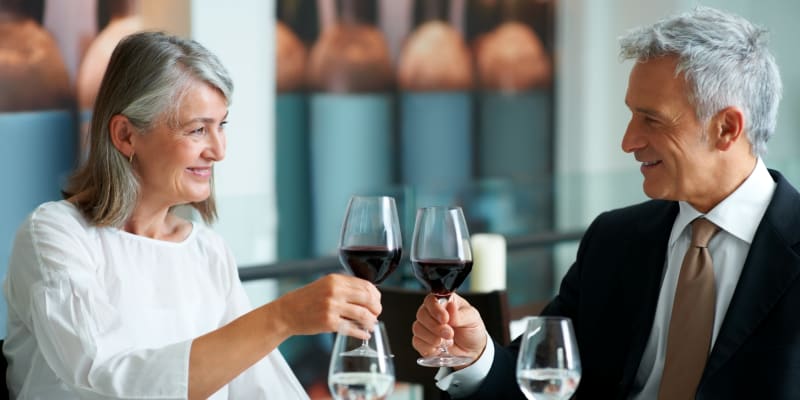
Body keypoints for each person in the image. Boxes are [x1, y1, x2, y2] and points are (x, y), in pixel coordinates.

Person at [412, 6, 800, 399]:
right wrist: (475, 356)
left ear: (726, 128)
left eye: (652, 120)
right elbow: (540, 380)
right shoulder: (613, 240)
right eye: (632, 116)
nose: (628, 142)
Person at [2, 31, 381, 399]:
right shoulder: (55, 235)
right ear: (126, 136)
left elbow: (261, 388)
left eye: (222, 126)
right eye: (198, 130)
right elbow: (103, 379)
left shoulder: (206, 251)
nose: (218, 150)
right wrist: (282, 317)